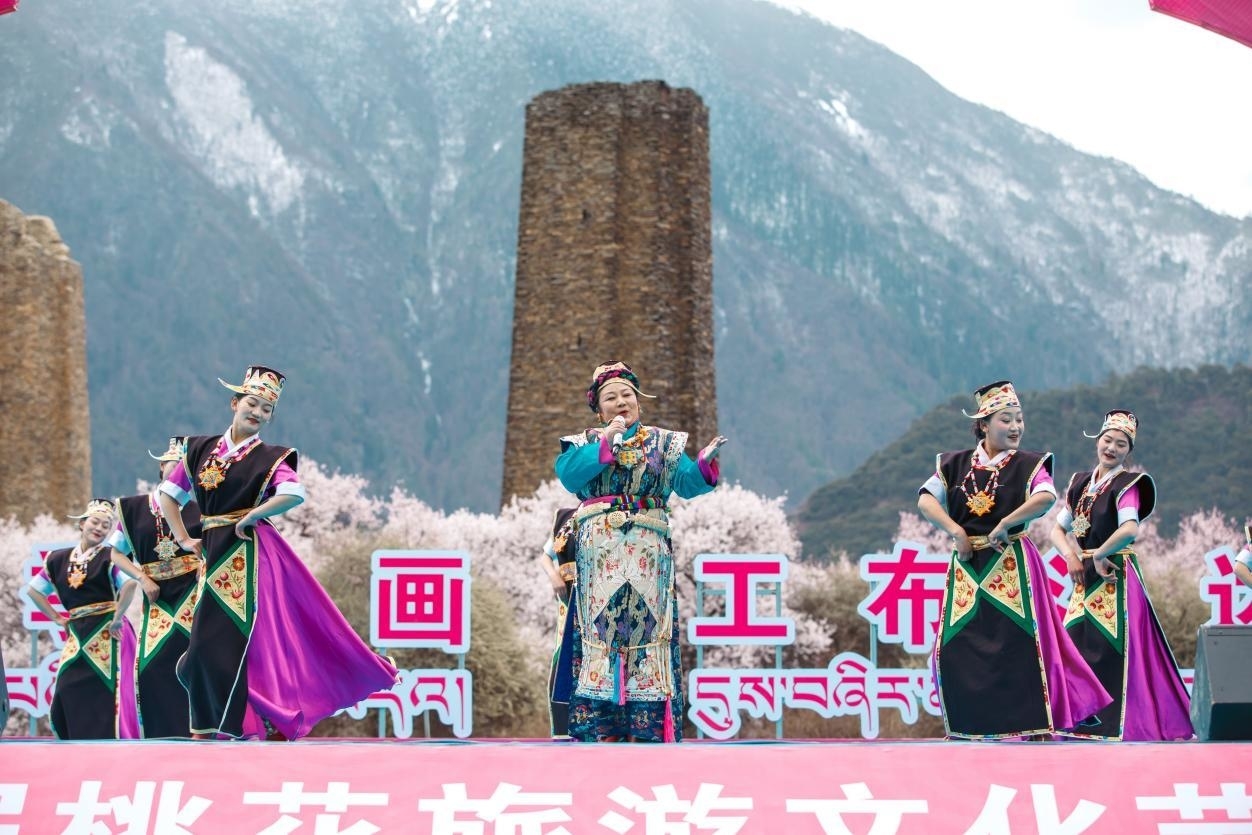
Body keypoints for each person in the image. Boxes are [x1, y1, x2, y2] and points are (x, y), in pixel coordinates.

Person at [158, 365, 397, 739]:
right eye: (252, 403)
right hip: (212, 554)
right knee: (207, 645)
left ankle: (224, 726)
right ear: (235, 403)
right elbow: (168, 496)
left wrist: (254, 514)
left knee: (229, 643)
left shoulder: (270, 457)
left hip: (247, 558)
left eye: (266, 409)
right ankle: (237, 719)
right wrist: (185, 539)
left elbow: (294, 493)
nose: (257, 412)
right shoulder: (198, 449)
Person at [917, 380, 1110, 739]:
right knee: (957, 642)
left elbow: (1045, 497)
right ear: (983, 425)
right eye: (1006, 420)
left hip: (1011, 562)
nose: (1016, 427)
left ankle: (1034, 722)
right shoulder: (954, 464)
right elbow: (926, 500)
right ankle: (969, 724)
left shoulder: (1029, 463)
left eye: (1019, 419)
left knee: (1022, 641)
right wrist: (956, 531)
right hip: (967, 563)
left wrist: (1007, 523)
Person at [554, 361, 726, 743]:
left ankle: (647, 726)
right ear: (599, 410)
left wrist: (703, 465)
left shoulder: (664, 444)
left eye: (626, 395)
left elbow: (686, 483)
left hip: (649, 555)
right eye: (610, 398)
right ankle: (600, 726)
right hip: (600, 555)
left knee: (649, 632)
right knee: (600, 634)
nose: (620, 402)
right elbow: (569, 475)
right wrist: (605, 443)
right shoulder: (582, 444)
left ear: (638, 401)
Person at [1048, 409, 1192, 740]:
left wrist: (1100, 553)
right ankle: (1078, 720)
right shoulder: (1080, 483)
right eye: (1108, 440)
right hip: (1085, 575)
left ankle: (1118, 723)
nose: (1112, 448)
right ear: (1097, 440)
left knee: (1115, 648)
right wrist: (1070, 555)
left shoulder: (1128, 485)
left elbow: (1129, 529)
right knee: (1072, 643)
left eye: (1121, 444)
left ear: (1129, 451)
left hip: (1115, 574)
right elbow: (1057, 529)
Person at [108, 436, 204, 738]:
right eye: (174, 464)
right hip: (157, 596)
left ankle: (199, 732)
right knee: (151, 664)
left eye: (185, 467)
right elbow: (116, 553)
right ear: (162, 467)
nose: (179, 470)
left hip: (192, 592)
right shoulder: (132, 509)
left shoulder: (200, 507)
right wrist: (142, 578)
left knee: (194, 660)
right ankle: (161, 735)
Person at [24, 499, 140, 739]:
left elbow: (129, 584)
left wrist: (118, 618)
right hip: (78, 630)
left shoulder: (110, 556)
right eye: (95, 522)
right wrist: (57, 618)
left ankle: (107, 741)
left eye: (105, 526)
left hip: (107, 630)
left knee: (106, 688)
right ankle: (76, 738)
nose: (99, 528)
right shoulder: (57, 559)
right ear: (82, 524)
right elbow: (34, 590)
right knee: (67, 684)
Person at [538, 506, 578, 739]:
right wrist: (554, 576)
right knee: (562, 659)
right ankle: (562, 732)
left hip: (600, 602)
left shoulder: (615, 511)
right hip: (569, 598)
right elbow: (546, 556)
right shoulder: (565, 517)